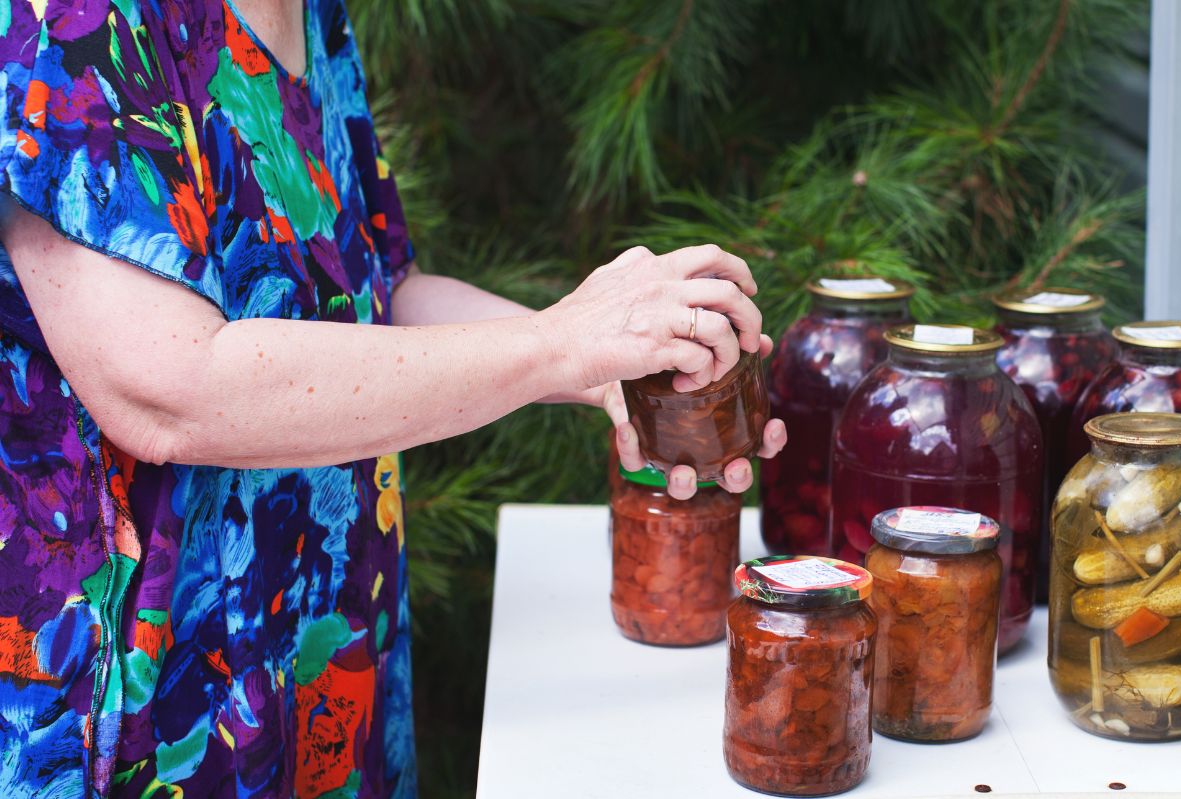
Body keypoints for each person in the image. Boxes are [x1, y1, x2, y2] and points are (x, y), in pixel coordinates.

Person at [0, 1, 785, 797]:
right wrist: (563, 341)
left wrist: (610, 366)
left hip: (329, 674)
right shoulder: (74, 20)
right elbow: (172, 390)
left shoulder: (310, 16)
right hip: (146, 722)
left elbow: (378, 298)